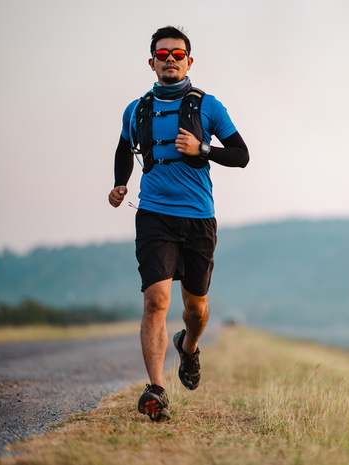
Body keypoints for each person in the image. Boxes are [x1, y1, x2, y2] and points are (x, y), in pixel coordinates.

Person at [108, 26, 249, 422]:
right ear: (151, 61)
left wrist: (203, 148)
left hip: (198, 219)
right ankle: (157, 389)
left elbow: (241, 155)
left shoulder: (208, 106)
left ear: (189, 60)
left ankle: (188, 349)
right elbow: (123, 148)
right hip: (154, 215)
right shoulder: (136, 110)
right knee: (156, 300)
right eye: (162, 54)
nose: (170, 59)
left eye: (178, 53)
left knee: (196, 309)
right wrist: (120, 184)